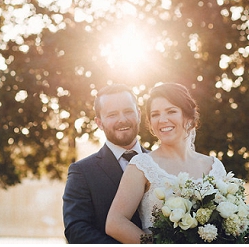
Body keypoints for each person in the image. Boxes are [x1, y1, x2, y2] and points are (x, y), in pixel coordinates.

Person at [105, 83, 227, 243]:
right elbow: (115, 223)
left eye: (171, 111)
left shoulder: (215, 166)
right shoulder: (141, 166)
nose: (162, 120)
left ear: (189, 117)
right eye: (155, 115)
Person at [62, 84, 146, 243]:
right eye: (112, 114)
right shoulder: (82, 172)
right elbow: (76, 230)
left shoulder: (161, 163)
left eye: (128, 111)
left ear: (139, 114)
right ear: (99, 123)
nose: (122, 119)